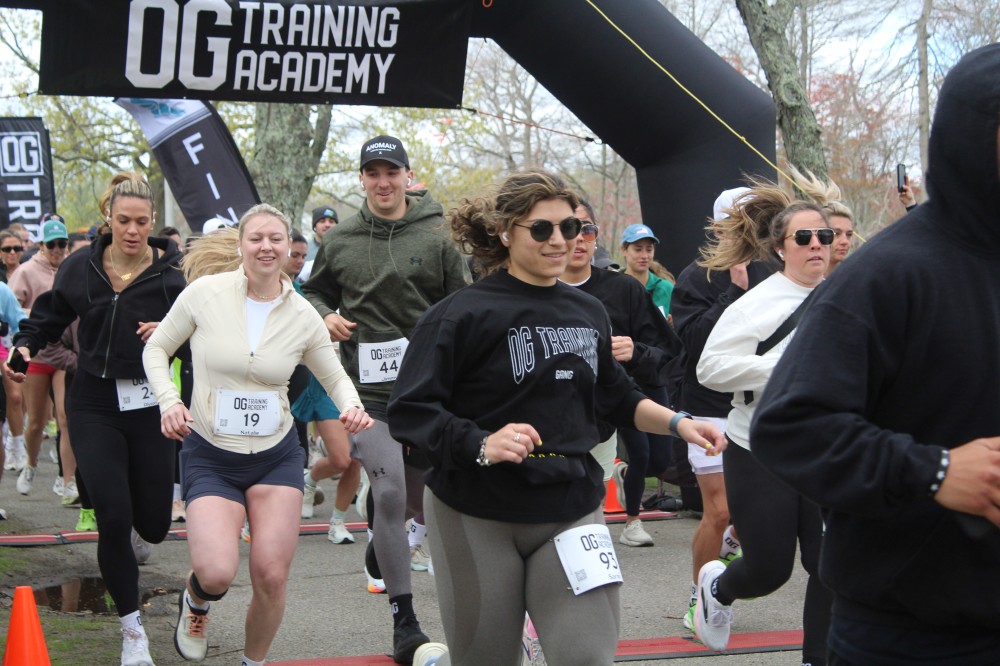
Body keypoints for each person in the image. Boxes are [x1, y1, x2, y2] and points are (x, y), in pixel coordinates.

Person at [387, 169, 726, 666]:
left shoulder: (588, 311)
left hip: (571, 503)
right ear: (505, 232)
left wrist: (679, 423)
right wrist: (481, 443)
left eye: (571, 227)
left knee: (587, 656)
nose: (560, 240)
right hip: (476, 509)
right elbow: (410, 410)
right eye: (541, 228)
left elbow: (616, 396)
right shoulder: (459, 314)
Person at [752, 44, 1000, 665]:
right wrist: (932, 471)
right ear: (977, 137)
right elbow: (789, 425)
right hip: (913, 635)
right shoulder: (888, 273)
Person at [142, 204, 373, 666]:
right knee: (216, 571)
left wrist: (352, 405)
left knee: (271, 575)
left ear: (288, 248)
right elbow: (157, 347)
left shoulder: (303, 314)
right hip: (211, 452)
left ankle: (254, 662)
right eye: (256, 238)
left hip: (275, 455)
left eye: (275, 239)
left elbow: (334, 376)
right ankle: (197, 600)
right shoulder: (204, 294)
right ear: (241, 245)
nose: (266, 247)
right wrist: (169, 401)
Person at [5, 171, 186, 666]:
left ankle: (138, 530)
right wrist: (25, 346)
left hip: (148, 403)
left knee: (153, 524)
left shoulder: (172, 275)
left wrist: (171, 333)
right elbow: (48, 315)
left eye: (142, 222)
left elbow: (199, 333)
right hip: (94, 403)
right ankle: (132, 632)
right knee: (112, 515)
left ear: (153, 222)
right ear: (109, 218)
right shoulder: (81, 266)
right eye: (124, 220)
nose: (133, 230)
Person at [303, 134, 470, 663]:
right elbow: (313, 290)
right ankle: (406, 623)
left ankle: (384, 538)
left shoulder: (438, 234)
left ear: (406, 176)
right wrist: (324, 315)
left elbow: (463, 302)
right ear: (361, 179)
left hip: (426, 388)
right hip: (365, 393)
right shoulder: (341, 239)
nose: (382, 182)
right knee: (392, 492)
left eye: (391, 172)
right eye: (372, 173)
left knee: (417, 503)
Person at [691, 186, 835, 665]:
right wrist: (785, 367)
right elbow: (709, 369)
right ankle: (718, 587)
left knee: (829, 564)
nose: (816, 245)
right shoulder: (755, 304)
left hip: (826, 450)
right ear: (780, 247)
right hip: (759, 447)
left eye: (824, 236)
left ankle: (817, 659)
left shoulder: (849, 294)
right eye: (804, 238)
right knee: (770, 570)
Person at [670, 186, 776, 632]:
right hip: (708, 408)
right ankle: (703, 599)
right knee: (719, 510)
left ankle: (727, 555)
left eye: (757, 221)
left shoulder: (778, 269)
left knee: (758, 514)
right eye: (740, 221)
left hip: (762, 408)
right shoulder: (695, 277)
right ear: (718, 227)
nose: (750, 230)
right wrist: (732, 292)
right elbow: (693, 344)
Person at [560, 210, 684, 547]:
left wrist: (636, 350)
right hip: (566, 412)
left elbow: (668, 349)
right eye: (569, 228)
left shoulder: (624, 289)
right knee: (624, 464)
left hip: (629, 390)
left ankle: (620, 505)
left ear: (597, 236)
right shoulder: (535, 290)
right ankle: (630, 522)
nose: (579, 238)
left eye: (587, 230)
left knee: (656, 460)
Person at [8, 215, 71, 496]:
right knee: (36, 422)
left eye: (62, 243)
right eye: (52, 244)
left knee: (65, 417)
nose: (57, 249)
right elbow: (11, 309)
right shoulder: (26, 271)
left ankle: (67, 480)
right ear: (41, 245)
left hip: (64, 355)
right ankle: (31, 464)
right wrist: (38, 315)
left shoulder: (72, 269)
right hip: (36, 355)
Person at [621, 223, 673, 318]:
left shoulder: (666, 289)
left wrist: (672, 324)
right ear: (624, 250)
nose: (644, 256)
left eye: (649, 250)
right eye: (638, 249)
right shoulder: (613, 288)